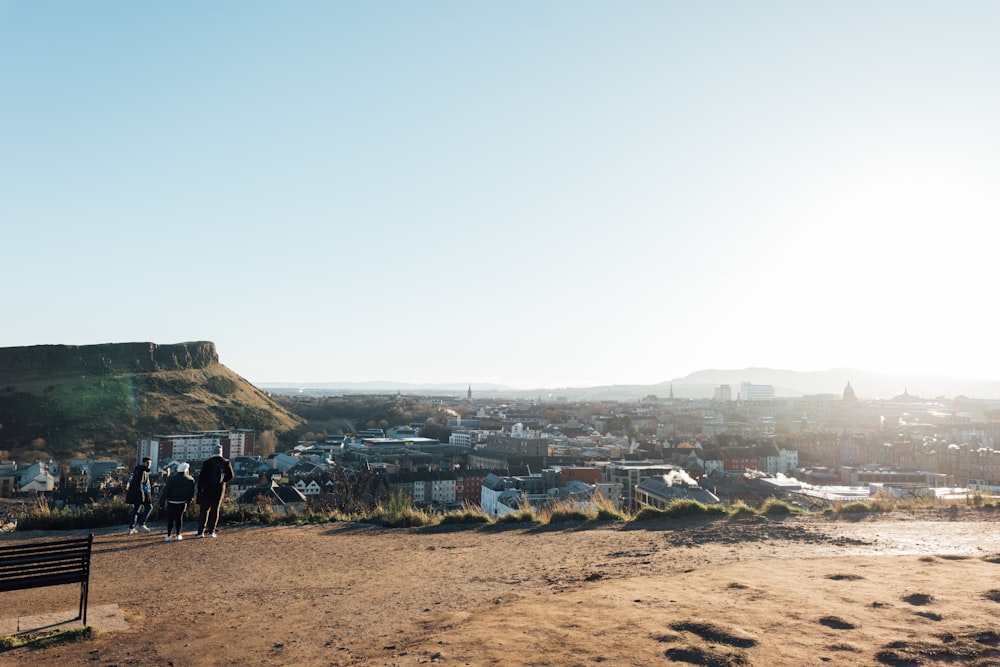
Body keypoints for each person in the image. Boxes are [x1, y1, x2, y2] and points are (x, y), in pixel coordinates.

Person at [196, 444, 234, 538]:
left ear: (212, 452)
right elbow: (231, 476)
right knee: (215, 510)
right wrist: (223, 481)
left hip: (207, 489)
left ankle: (201, 532)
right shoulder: (226, 462)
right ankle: (212, 531)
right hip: (219, 489)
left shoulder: (207, 463)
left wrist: (200, 489)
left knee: (204, 511)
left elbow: (201, 478)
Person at [160, 462, 196, 541]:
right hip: (182, 502)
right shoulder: (190, 479)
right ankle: (178, 535)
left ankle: (168, 535)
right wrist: (189, 501)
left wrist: (161, 502)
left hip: (171, 501)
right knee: (179, 518)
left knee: (170, 519)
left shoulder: (172, 478)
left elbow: (166, 491)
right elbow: (191, 493)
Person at [126, 456, 153, 534]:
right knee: (148, 507)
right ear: (143, 463)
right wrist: (142, 496)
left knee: (136, 509)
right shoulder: (142, 471)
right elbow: (139, 484)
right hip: (141, 494)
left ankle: (131, 527)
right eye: (147, 463)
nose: (149, 464)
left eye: (150, 463)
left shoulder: (140, 470)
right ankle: (141, 524)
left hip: (140, 493)